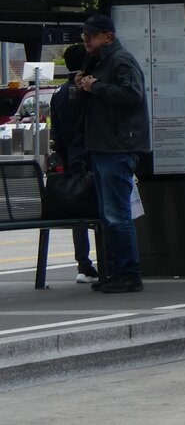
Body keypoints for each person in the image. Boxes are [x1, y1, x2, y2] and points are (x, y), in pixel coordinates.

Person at [77, 13, 150, 294]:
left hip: (117, 147)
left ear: (108, 36)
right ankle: (116, 271)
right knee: (110, 214)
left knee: (117, 214)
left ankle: (129, 273)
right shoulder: (103, 62)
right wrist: (86, 84)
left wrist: (96, 86)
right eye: (84, 37)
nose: (86, 42)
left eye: (90, 36)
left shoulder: (120, 60)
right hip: (104, 145)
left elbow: (133, 96)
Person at [48, 43, 100, 283]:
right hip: (92, 156)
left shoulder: (58, 95)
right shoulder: (87, 89)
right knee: (102, 211)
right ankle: (108, 261)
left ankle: (83, 263)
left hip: (71, 160)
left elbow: (56, 135)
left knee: (79, 215)